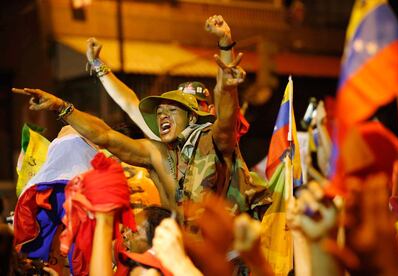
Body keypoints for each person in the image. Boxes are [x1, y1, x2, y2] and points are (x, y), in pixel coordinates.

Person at [13, 52, 269, 214]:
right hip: (179, 256)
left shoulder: (214, 143)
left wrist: (225, 67)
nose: (162, 115)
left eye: (173, 109)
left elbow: (226, 119)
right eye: (160, 111)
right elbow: (107, 134)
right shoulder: (157, 151)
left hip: (226, 259)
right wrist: (61, 105)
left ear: (197, 115)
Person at [85, 15, 249, 141]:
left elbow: (225, 90)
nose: (190, 110)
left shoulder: (218, 139)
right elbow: (129, 103)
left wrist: (225, 41)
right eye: (181, 106)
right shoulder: (168, 140)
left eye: (196, 104)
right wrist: (98, 64)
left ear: (212, 111)